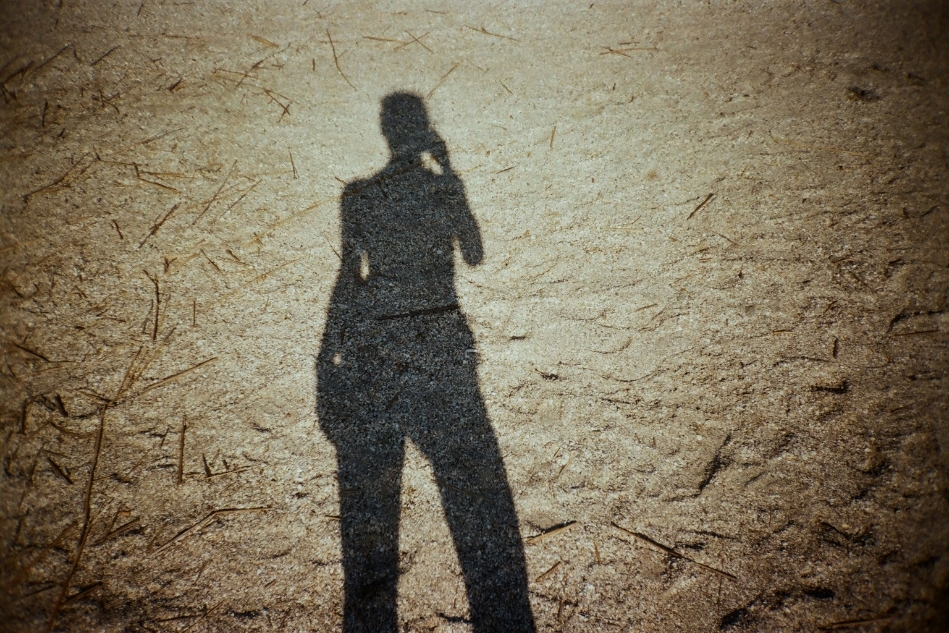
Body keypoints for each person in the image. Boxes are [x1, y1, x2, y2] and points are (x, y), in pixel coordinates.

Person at [316, 92, 536, 632]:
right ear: (423, 134)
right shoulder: (442, 188)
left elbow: (349, 276)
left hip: (380, 341)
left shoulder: (358, 195)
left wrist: (329, 353)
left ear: (386, 133)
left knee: (376, 501)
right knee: (468, 482)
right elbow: (475, 254)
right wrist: (451, 173)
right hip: (442, 335)